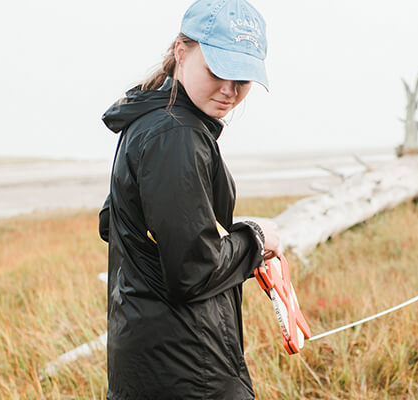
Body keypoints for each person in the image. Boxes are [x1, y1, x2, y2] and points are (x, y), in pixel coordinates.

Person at [97, 1, 279, 398]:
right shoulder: (175, 135)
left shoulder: (150, 120)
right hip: (188, 370)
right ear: (182, 52)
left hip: (152, 359)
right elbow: (192, 271)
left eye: (243, 78)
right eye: (219, 70)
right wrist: (257, 238)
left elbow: (115, 224)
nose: (230, 91)